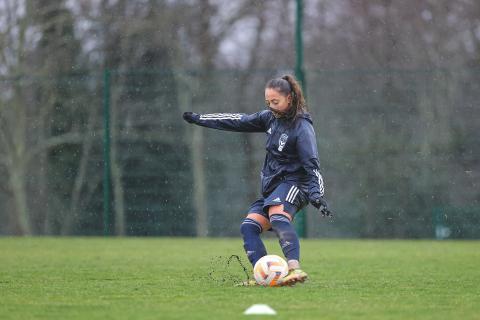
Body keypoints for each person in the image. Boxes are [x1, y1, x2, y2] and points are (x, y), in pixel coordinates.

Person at [183, 74, 332, 286]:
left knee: (278, 217)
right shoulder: (269, 118)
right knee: (249, 227)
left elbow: (312, 165)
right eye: (267, 102)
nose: (271, 106)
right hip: (273, 189)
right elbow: (237, 120)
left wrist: (317, 195)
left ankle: (294, 269)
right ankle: (263, 275)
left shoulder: (302, 127)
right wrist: (200, 119)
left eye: (275, 102)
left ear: (289, 98)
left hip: (296, 184)